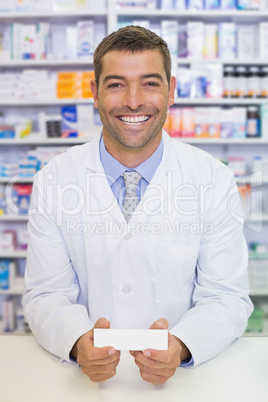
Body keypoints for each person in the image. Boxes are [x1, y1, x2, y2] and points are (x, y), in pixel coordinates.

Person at [23, 26, 253, 385]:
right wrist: (75, 341)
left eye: (150, 83)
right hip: (83, 386)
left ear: (171, 91)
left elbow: (227, 297)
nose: (133, 101)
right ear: (95, 94)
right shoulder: (54, 180)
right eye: (115, 84)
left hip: (183, 386)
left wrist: (182, 345)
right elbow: (46, 294)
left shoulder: (212, 179)